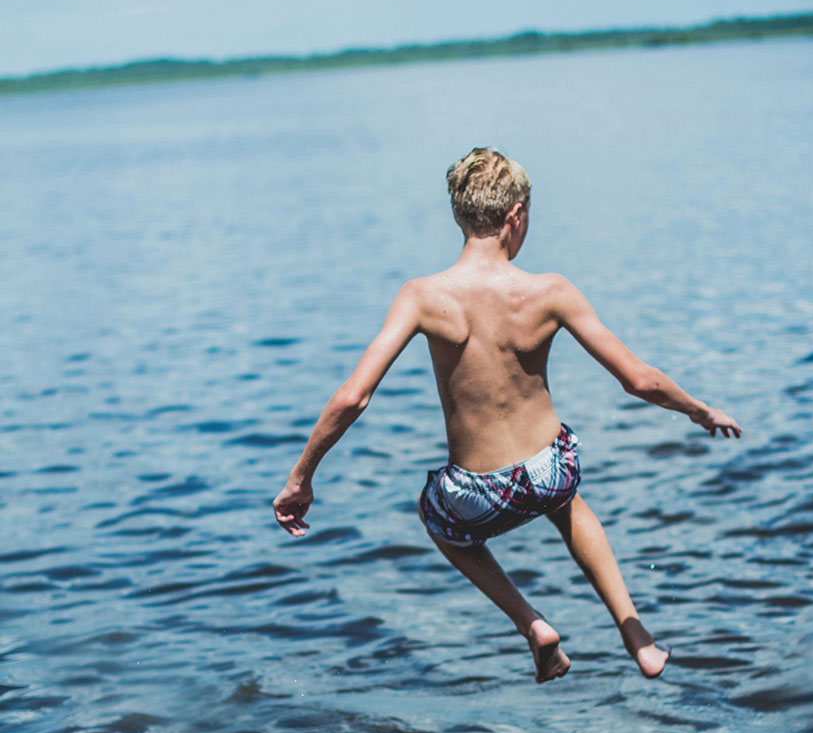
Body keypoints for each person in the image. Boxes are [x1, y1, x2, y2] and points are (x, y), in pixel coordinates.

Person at [273, 147, 741, 684]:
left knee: (438, 519)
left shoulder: (423, 297)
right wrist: (699, 411)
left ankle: (533, 624)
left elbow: (352, 398)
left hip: (477, 494)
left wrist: (301, 476)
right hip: (549, 471)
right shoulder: (551, 291)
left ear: (460, 215)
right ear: (515, 215)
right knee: (566, 503)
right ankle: (636, 635)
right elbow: (640, 380)